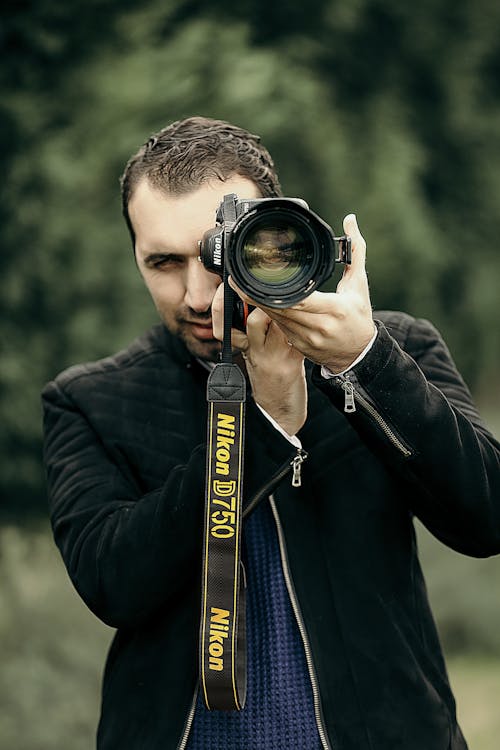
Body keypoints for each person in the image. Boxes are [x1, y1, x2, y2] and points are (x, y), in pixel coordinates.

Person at [42, 116, 500, 750]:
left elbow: (487, 518)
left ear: (280, 237)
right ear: (135, 257)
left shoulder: (394, 349)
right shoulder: (90, 400)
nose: (199, 295)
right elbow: (113, 584)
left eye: (218, 254)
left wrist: (362, 362)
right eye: (164, 263)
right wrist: (264, 420)